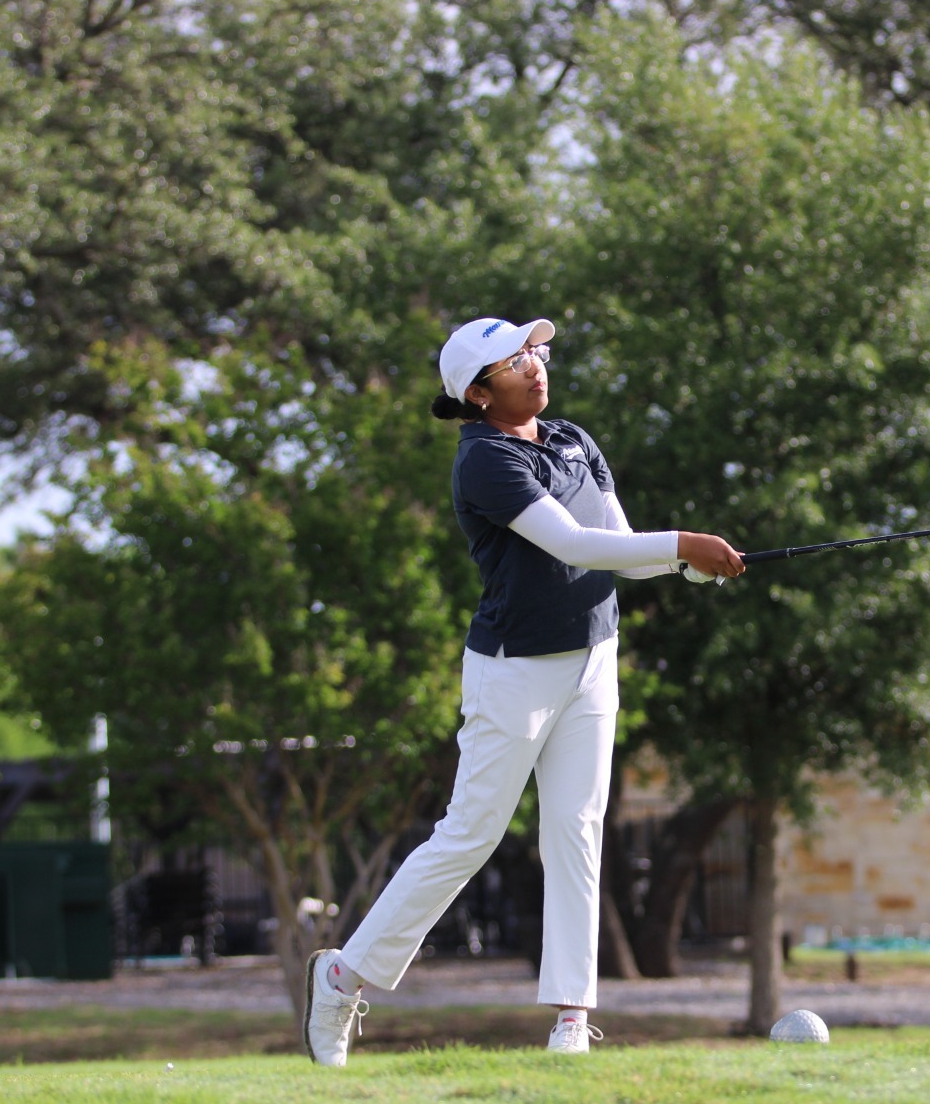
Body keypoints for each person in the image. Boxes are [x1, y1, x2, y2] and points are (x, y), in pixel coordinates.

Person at [303, 316, 746, 1064]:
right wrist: (684, 545)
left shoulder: (573, 438)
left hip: (593, 657)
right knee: (470, 834)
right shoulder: (482, 460)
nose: (536, 367)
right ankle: (342, 975)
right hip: (514, 671)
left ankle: (571, 1020)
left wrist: (683, 565)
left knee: (576, 829)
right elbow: (572, 544)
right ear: (478, 393)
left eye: (535, 352)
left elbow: (621, 553)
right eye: (514, 363)